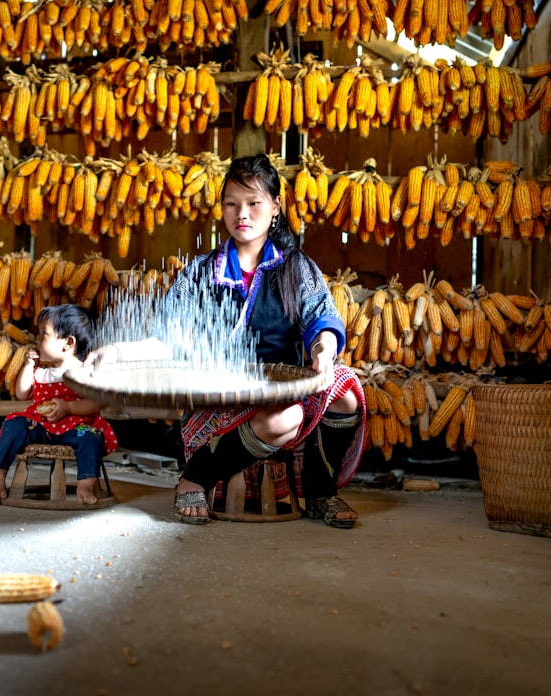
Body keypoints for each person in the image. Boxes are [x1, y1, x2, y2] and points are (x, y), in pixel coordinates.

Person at [86, 153, 366, 527]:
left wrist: (323, 350)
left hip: (279, 390)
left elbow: (322, 319)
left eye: (253, 203)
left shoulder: (296, 268)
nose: (242, 214)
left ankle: (321, 492)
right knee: (286, 418)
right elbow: (168, 339)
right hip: (218, 399)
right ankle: (195, 477)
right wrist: (117, 350)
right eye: (232, 204)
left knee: (345, 391)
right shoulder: (202, 272)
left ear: (275, 207)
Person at [0, 304, 117, 505]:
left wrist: (69, 407)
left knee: (91, 437)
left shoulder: (83, 371)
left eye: (44, 334)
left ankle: (85, 483)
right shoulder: (42, 371)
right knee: (14, 425)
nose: (37, 339)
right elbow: (22, 394)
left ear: (68, 343)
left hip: (75, 425)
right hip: (40, 424)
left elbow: (96, 403)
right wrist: (28, 366)